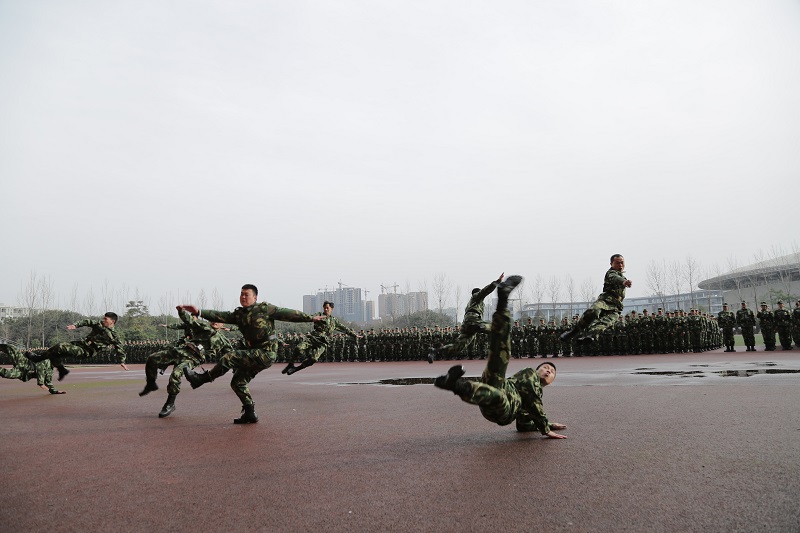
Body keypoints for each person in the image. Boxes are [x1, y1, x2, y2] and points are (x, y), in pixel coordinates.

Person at [433, 275, 567, 439]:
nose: (548, 370)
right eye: (545, 367)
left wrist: (547, 424)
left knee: (497, 384)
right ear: (537, 369)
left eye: (552, 371)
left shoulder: (533, 396)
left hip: (505, 405)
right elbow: (534, 403)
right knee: (501, 350)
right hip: (501, 389)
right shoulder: (530, 375)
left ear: (552, 382)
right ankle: (503, 300)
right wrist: (545, 427)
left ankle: (455, 382)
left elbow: (523, 425)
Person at [180, 284, 326, 424]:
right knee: (238, 383)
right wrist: (199, 312)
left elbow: (287, 313)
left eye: (246, 294)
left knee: (229, 357)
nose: (243, 297)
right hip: (253, 353)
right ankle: (250, 413)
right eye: (241, 294)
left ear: (255, 297)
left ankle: (202, 379)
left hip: (266, 352)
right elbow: (220, 315)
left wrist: (310, 318)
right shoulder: (239, 314)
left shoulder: (264, 309)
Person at [139, 306, 232, 418]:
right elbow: (189, 320)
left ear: (223, 324)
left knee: (176, 374)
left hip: (192, 358)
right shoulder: (203, 328)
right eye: (213, 319)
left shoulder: (224, 342)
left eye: (219, 320)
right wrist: (181, 311)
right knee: (152, 358)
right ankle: (151, 383)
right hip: (181, 350)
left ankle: (170, 403)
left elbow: (231, 356)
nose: (215, 321)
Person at [25, 312, 128, 380]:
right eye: (103, 318)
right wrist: (76, 325)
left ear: (112, 321)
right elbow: (87, 321)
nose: (103, 320)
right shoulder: (99, 324)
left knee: (61, 346)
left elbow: (119, 348)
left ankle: (38, 359)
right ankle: (61, 370)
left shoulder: (114, 336)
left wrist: (122, 361)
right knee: (55, 351)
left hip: (87, 351)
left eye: (106, 319)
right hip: (81, 344)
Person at [429, 273, 505, 363]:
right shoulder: (476, 296)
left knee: (458, 347)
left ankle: (436, 350)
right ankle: (480, 327)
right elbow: (485, 291)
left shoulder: (470, 304)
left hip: (467, 324)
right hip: (474, 320)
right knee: (496, 328)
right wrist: (497, 282)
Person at [560, 254, 632, 343]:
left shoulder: (622, 276)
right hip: (605, 301)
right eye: (617, 263)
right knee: (594, 311)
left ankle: (590, 335)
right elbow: (614, 278)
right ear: (611, 264)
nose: (620, 265)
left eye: (622, 263)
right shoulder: (611, 273)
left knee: (605, 322)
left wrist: (624, 280)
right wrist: (624, 282)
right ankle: (574, 331)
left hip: (616, 306)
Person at [281, 301, 361, 375]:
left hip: (323, 342)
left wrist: (354, 335)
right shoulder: (319, 315)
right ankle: (290, 364)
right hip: (313, 337)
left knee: (313, 359)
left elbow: (344, 329)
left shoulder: (334, 321)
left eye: (327, 308)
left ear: (331, 309)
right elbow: (310, 317)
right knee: (298, 348)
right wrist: (309, 318)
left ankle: (296, 369)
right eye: (324, 308)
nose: (326, 309)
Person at [0, 344, 65, 394]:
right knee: (11, 348)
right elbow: (40, 369)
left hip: (23, 373)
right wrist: (41, 383)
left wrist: (55, 391)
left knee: (5, 374)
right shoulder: (46, 361)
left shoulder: (50, 372)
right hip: (23, 362)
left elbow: (48, 382)